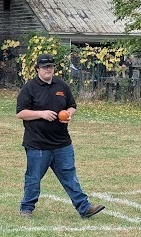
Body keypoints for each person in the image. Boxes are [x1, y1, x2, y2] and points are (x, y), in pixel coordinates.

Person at [16, 53, 105, 219]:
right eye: (44, 67)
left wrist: (68, 114)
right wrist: (41, 114)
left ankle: (84, 208)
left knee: (70, 176)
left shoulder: (61, 86)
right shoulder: (29, 88)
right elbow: (20, 113)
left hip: (62, 143)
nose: (48, 69)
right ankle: (26, 208)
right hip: (38, 144)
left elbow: (72, 106)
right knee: (34, 178)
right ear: (37, 69)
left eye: (50, 66)